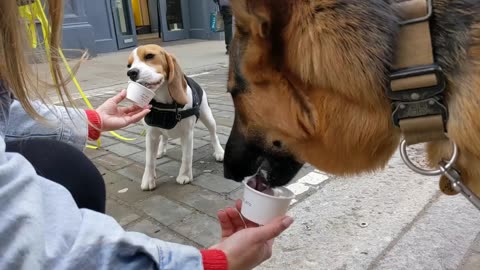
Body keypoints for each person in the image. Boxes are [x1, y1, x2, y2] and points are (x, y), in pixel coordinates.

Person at [0, 1, 293, 269]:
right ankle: (153, 166)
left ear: (168, 65)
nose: (135, 69)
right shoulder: (148, 102)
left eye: (149, 58)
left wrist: (93, 120)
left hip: (186, 114)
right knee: (155, 134)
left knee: (209, 125)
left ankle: (212, 144)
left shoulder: (188, 93)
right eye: (131, 66)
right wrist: (214, 262)